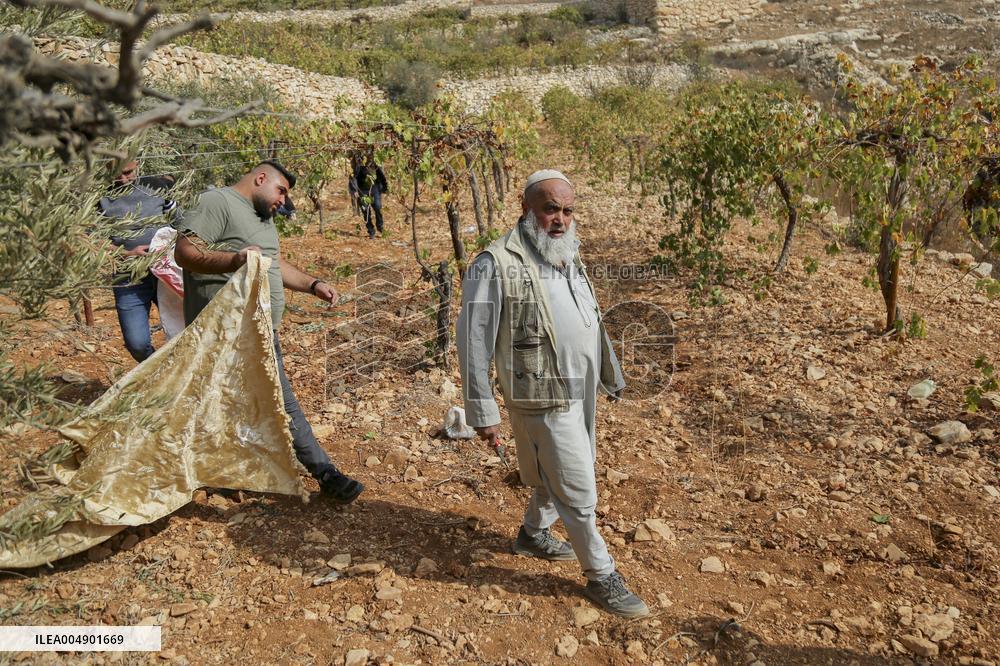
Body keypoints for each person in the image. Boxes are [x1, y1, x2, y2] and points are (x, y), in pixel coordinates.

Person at [456, 170, 649, 618]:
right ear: (526, 210)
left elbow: (589, 315)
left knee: (558, 467)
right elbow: (473, 341)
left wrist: (608, 371)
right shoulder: (493, 263)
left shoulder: (566, 251)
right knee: (577, 482)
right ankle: (601, 575)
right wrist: (482, 410)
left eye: (567, 210)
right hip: (539, 391)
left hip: (581, 386)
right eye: (550, 209)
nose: (560, 219)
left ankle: (532, 534)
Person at [173, 160, 364, 504]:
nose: (283, 201)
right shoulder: (217, 202)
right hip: (228, 330)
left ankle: (218, 470)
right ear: (260, 178)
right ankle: (326, 473)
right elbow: (185, 253)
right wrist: (234, 260)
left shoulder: (262, 217)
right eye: (281, 191)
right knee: (280, 401)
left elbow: (273, 262)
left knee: (230, 402)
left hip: (259, 329)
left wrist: (312, 284)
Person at [98, 160, 179, 362]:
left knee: (184, 330)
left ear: (138, 163)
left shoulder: (157, 186)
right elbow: (91, 239)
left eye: (127, 172)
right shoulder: (99, 197)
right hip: (129, 276)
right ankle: (158, 370)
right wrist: (127, 253)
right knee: (137, 343)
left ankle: (182, 372)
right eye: (116, 174)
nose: (123, 179)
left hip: (168, 273)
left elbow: (181, 222)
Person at [353, 158, 388, 239]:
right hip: (362, 191)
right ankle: (371, 231)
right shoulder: (358, 164)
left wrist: (385, 187)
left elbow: (380, 175)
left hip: (374, 189)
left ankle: (380, 227)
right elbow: (353, 177)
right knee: (366, 211)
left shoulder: (374, 163)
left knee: (378, 207)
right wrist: (354, 190)